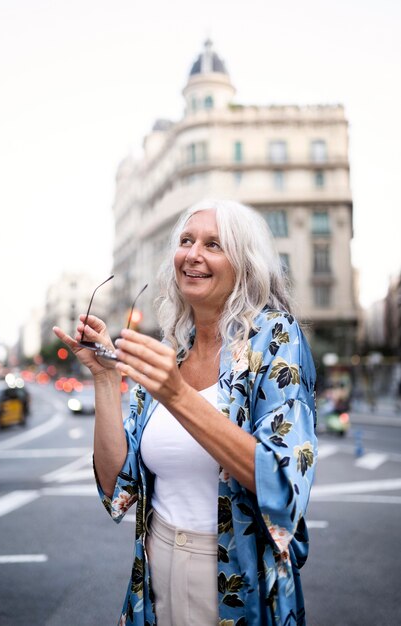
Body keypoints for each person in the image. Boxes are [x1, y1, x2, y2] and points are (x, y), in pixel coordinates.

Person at [53, 198, 317, 626]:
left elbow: (284, 482)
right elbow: (118, 489)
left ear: (244, 265)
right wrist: (105, 379)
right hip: (155, 575)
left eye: (213, 245)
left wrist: (177, 395)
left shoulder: (275, 340)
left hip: (237, 582)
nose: (193, 254)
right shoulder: (170, 353)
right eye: (186, 241)